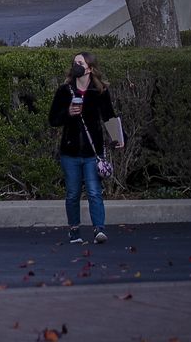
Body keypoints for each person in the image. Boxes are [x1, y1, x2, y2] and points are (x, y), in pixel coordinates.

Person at [48, 51, 122, 245]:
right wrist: (68, 113)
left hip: (92, 151)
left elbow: (109, 116)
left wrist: (118, 138)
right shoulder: (65, 91)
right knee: (72, 193)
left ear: (89, 68)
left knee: (94, 191)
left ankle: (99, 229)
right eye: (74, 63)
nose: (76, 66)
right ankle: (74, 230)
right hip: (70, 151)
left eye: (80, 63)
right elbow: (53, 119)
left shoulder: (100, 92)